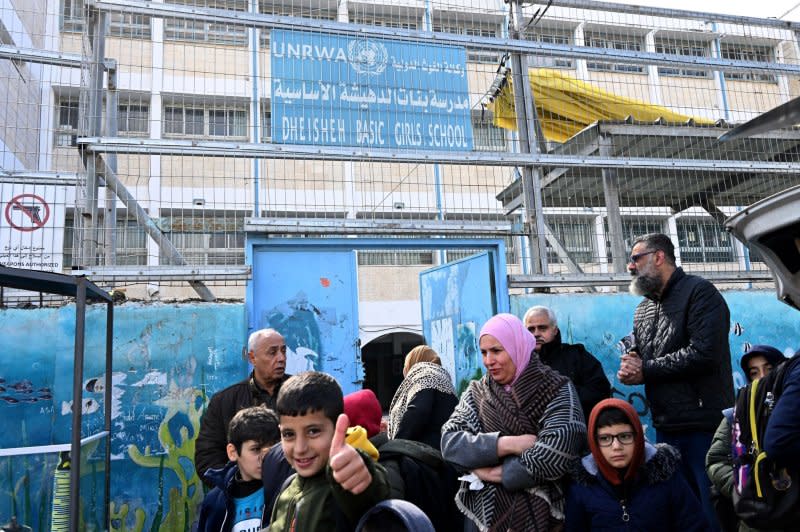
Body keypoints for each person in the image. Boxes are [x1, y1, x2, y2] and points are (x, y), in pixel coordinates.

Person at [618, 233, 734, 531]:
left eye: (635, 259)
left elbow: (704, 353)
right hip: (666, 427)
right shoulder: (644, 307)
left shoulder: (700, 293)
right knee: (680, 515)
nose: (630, 267)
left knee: (713, 514)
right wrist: (632, 362)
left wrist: (647, 369)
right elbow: (643, 352)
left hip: (703, 427)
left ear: (658, 257)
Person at [441, 313, 586, 531]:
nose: (489, 361)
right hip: (484, 514)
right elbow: (450, 443)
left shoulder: (557, 388)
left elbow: (556, 452)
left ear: (517, 347)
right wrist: (506, 444)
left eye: (497, 351)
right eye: (484, 352)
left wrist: (493, 473)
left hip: (546, 514)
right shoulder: (478, 392)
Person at [268, 371, 390, 531]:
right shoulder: (288, 486)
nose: (300, 448)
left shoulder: (342, 486)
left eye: (313, 431)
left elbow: (370, 495)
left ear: (340, 428)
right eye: (289, 434)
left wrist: (363, 475)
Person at [565, 398, 709, 531]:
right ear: (594, 442)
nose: (616, 446)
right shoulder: (582, 487)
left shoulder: (666, 476)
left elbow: (695, 526)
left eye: (625, 436)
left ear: (638, 437)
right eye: (605, 438)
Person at [705, 345, 787, 532]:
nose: (763, 377)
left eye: (770, 369)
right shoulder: (735, 417)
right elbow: (715, 461)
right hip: (755, 520)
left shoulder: (793, 412)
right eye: (754, 372)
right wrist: (743, 488)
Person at [195, 328, 291, 483]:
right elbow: (207, 457)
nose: (281, 358)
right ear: (252, 357)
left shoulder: (300, 394)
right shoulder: (224, 402)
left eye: (283, 351)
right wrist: (239, 485)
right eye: (272, 352)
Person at [196, 406, 280, 531]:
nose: (265, 457)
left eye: (273, 448)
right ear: (233, 452)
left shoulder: (285, 491)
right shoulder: (215, 501)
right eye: (256, 449)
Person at [523, 305, 611, 421]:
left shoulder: (576, 356)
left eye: (542, 328)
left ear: (555, 330)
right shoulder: (520, 363)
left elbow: (600, 392)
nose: (536, 334)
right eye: (531, 329)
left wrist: (561, 392)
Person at [387, 345, 458, 450]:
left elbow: (418, 411)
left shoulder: (426, 375)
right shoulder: (443, 379)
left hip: (427, 453)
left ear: (413, 362)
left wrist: (397, 443)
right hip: (447, 448)